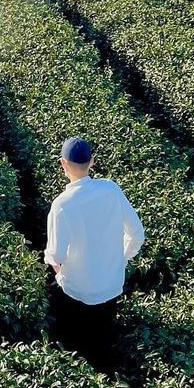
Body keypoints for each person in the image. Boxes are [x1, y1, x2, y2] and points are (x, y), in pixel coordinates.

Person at [44, 136, 144, 362]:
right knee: (102, 343)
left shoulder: (62, 204)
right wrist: (122, 258)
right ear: (92, 162)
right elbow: (136, 234)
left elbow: (55, 256)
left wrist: (60, 273)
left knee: (74, 346)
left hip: (76, 293)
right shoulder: (111, 189)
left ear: (63, 164)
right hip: (111, 287)